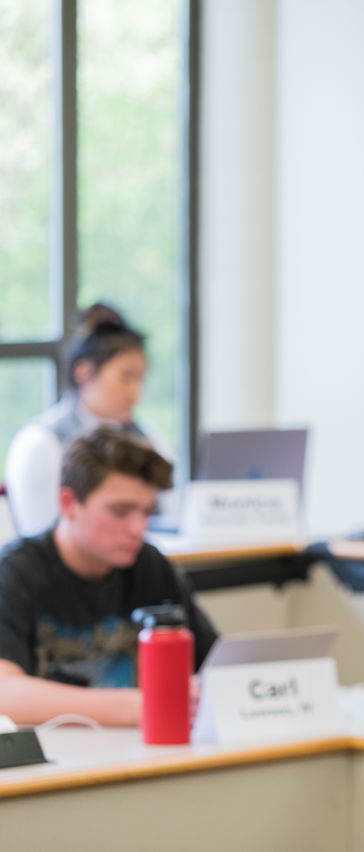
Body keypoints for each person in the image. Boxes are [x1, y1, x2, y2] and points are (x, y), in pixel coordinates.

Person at [0, 427, 215, 726]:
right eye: (120, 511)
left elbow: (213, 665)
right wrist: (138, 706)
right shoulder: (14, 573)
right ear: (68, 504)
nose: (138, 528)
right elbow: (4, 693)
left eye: (146, 512)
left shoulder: (150, 565)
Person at [5, 304, 165, 537]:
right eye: (126, 377)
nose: (135, 393)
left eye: (140, 379)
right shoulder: (40, 442)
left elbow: (166, 520)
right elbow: (39, 539)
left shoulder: (147, 438)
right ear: (84, 373)